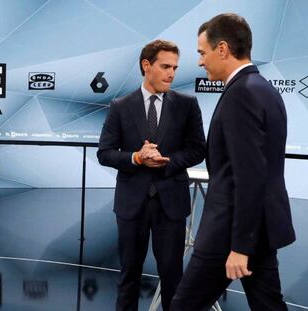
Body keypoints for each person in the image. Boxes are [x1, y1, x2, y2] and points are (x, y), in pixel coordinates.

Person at [170, 13, 296, 311]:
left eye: (203, 52)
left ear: (222, 49)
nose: (200, 62)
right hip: (260, 228)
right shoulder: (264, 89)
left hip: (230, 234)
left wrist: (240, 246)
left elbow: (249, 176)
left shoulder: (242, 94)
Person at [97, 39, 205, 311]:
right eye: (165, 66)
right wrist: (135, 157)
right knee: (129, 276)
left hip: (171, 203)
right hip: (131, 204)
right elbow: (105, 153)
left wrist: (167, 162)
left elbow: (197, 150)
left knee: (172, 278)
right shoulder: (120, 106)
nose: (171, 73)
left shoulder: (187, 105)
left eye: (175, 68)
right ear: (147, 65)